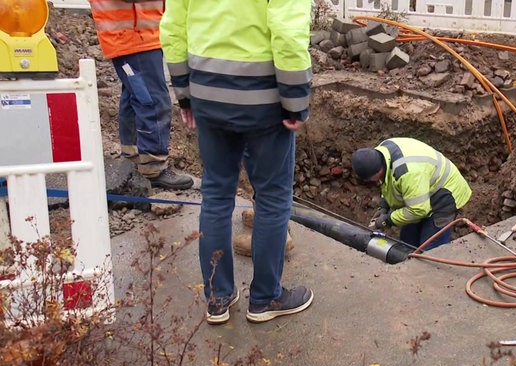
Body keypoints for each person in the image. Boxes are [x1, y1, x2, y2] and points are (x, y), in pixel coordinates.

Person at [160, 0, 314, 325]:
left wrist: (184, 94)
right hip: (264, 99)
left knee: (216, 196)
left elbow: (173, 27)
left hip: (207, 93)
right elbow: (288, 32)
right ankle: (265, 298)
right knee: (272, 200)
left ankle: (217, 299)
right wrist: (295, 101)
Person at [88, 0, 193, 190]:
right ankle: (153, 167)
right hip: (132, 37)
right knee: (153, 101)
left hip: (136, 37)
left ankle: (133, 157)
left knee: (135, 96)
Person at [351, 137, 472, 250]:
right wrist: (384, 204)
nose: (372, 182)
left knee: (429, 250)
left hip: (444, 195)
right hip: (419, 192)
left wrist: (388, 220)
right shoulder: (381, 153)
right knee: (407, 243)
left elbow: (418, 210)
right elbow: (388, 181)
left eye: (371, 178)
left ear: (379, 170)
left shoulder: (407, 173)